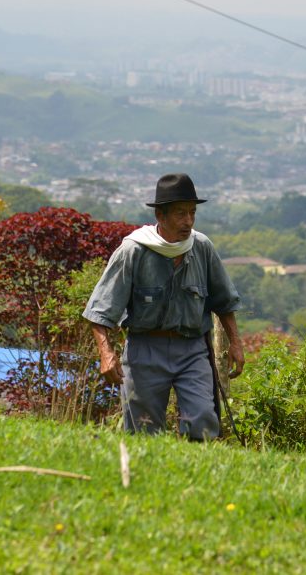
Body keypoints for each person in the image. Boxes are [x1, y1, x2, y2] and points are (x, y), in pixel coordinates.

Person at [83, 173, 244, 440]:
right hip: (145, 349)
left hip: (192, 349)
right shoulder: (133, 251)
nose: (188, 221)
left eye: (192, 213)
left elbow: (224, 301)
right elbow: (100, 310)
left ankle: (199, 476)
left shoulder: (201, 247)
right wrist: (106, 353)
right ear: (161, 215)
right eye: (180, 214)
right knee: (143, 431)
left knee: (203, 421)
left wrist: (236, 343)